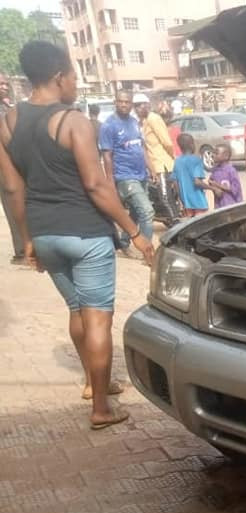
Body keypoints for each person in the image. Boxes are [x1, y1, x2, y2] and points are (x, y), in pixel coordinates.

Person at [0, 41, 153, 429]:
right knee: (98, 318)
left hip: (46, 235)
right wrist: (134, 231)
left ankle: (92, 382)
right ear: (58, 77)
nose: (74, 83)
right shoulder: (74, 121)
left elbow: (15, 189)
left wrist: (28, 240)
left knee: (76, 310)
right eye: (72, 76)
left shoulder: (7, 123)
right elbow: (97, 185)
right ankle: (101, 408)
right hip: (86, 235)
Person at [99, 89, 153, 258]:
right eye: (120, 101)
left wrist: (151, 168)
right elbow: (107, 156)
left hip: (141, 173)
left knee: (137, 212)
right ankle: (148, 251)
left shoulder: (134, 122)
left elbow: (141, 146)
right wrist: (110, 182)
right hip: (124, 176)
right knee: (147, 211)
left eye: (127, 102)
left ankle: (123, 242)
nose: (123, 104)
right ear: (115, 102)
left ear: (131, 104)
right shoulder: (109, 125)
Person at [0, 72, 26, 264]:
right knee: (13, 201)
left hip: (12, 161)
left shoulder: (6, 107)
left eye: (5, 83)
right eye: (1, 84)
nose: (5, 86)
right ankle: (22, 250)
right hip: (4, 164)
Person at [172, 133, 210, 217]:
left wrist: (181, 198)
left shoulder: (177, 161)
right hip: (198, 201)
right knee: (202, 225)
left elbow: (175, 183)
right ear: (191, 144)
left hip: (186, 202)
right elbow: (197, 182)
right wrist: (212, 188)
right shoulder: (196, 160)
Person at [208, 144, 243, 209]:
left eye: (216, 153)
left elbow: (235, 189)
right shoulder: (215, 170)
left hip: (232, 205)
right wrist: (214, 188)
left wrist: (217, 185)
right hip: (219, 205)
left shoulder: (231, 170)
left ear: (226, 156)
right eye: (213, 153)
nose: (213, 155)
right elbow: (211, 182)